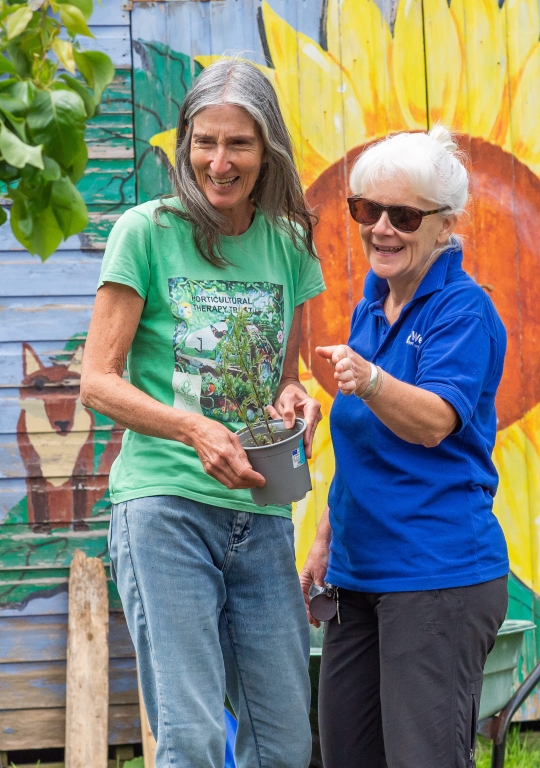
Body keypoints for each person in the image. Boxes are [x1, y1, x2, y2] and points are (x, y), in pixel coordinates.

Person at [80, 59, 324, 768]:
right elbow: (96, 381)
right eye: (204, 141)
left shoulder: (287, 244)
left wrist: (295, 401)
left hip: (261, 512)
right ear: (184, 143)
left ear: (266, 149)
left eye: (238, 144)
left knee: (281, 744)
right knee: (188, 739)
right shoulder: (145, 232)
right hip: (166, 508)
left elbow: (284, 380)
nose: (218, 162)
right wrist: (192, 426)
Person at [302, 126, 510, 768]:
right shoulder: (374, 307)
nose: (382, 228)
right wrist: (324, 540)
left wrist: (367, 379)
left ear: (445, 226)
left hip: (436, 576)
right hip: (358, 575)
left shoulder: (462, 311)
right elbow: (364, 448)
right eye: (366, 210)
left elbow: (432, 422)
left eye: (404, 215)